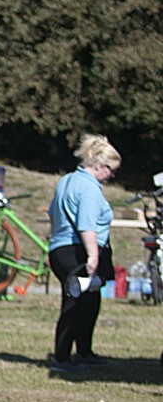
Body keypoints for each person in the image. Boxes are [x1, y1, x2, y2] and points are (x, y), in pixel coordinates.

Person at [47, 133, 120, 373]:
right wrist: (93, 256)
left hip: (60, 247)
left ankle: (83, 352)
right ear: (98, 165)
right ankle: (63, 357)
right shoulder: (89, 189)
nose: (111, 176)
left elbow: (51, 213)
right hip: (77, 249)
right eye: (110, 170)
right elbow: (86, 224)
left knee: (89, 300)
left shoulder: (66, 180)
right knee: (75, 303)